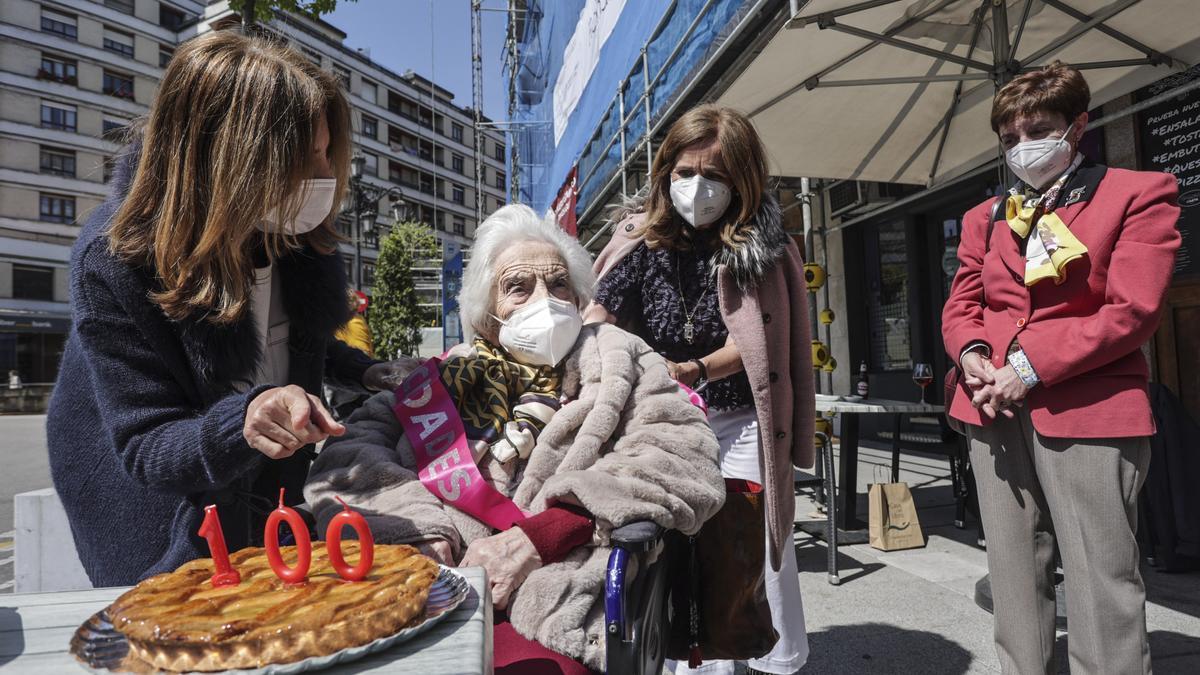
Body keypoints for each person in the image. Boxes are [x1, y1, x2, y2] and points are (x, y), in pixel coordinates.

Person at [46, 31, 407, 587]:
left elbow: (283, 338)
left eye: (325, 151)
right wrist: (244, 420)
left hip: (268, 500)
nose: (325, 174)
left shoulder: (290, 235)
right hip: (162, 525)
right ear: (233, 163)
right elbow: (147, 444)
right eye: (305, 157)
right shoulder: (114, 261)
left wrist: (361, 369)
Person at [305, 204, 725, 674]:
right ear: (488, 316)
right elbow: (346, 457)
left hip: (558, 595)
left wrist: (545, 535)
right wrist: (417, 531)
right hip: (433, 591)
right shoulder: (441, 376)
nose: (544, 300)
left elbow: (681, 452)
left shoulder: (620, 356)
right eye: (518, 287)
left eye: (558, 283)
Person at [942, 62, 1181, 675]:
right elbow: (963, 304)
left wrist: (1027, 365)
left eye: (1038, 129)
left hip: (1088, 407)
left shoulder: (1137, 192)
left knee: (1102, 572)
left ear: (1078, 125)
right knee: (1013, 573)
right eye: (1010, 138)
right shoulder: (984, 217)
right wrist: (972, 356)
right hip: (991, 405)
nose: (1023, 146)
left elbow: (1134, 310)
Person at [585, 104, 814, 675]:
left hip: (741, 419)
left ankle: (768, 655)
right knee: (678, 546)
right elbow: (600, 310)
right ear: (665, 172)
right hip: (664, 423)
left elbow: (765, 343)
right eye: (684, 172)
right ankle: (697, 662)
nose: (696, 187)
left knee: (751, 540)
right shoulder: (640, 241)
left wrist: (699, 368)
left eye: (713, 175)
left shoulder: (766, 248)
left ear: (740, 180)